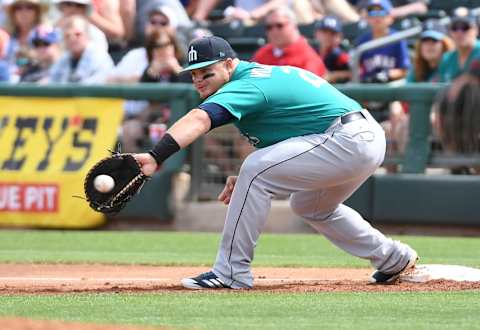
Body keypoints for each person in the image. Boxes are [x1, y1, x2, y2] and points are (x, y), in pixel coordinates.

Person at [133, 35, 418, 289]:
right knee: (309, 205)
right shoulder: (261, 76)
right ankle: (393, 258)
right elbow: (293, 134)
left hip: (346, 138)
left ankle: (231, 272)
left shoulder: (248, 83)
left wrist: (155, 157)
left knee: (256, 171)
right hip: (357, 137)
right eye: (193, 74)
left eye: (207, 72)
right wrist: (245, 177)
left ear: (230, 65)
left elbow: (199, 119)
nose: (198, 79)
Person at [251, 6, 326, 77]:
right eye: (269, 27)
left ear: (293, 25)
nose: (274, 31)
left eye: (279, 25)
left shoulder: (308, 57)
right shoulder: (262, 53)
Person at [49, 15, 114, 84]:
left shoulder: (99, 57)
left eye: (78, 34)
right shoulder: (64, 58)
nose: (72, 39)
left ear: (87, 35)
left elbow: (93, 87)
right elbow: (52, 81)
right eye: (67, 36)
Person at [437, 10, 480, 83]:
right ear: (449, 32)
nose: (459, 32)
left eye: (465, 27)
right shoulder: (447, 59)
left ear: (476, 30)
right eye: (455, 28)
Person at [314, 15, 351, 83]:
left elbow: (354, 72)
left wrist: (333, 75)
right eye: (324, 32)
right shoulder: (312, 52)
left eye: (332, 33)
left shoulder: (340, 54)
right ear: (317, 33)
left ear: (340, 36)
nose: (327, 36)